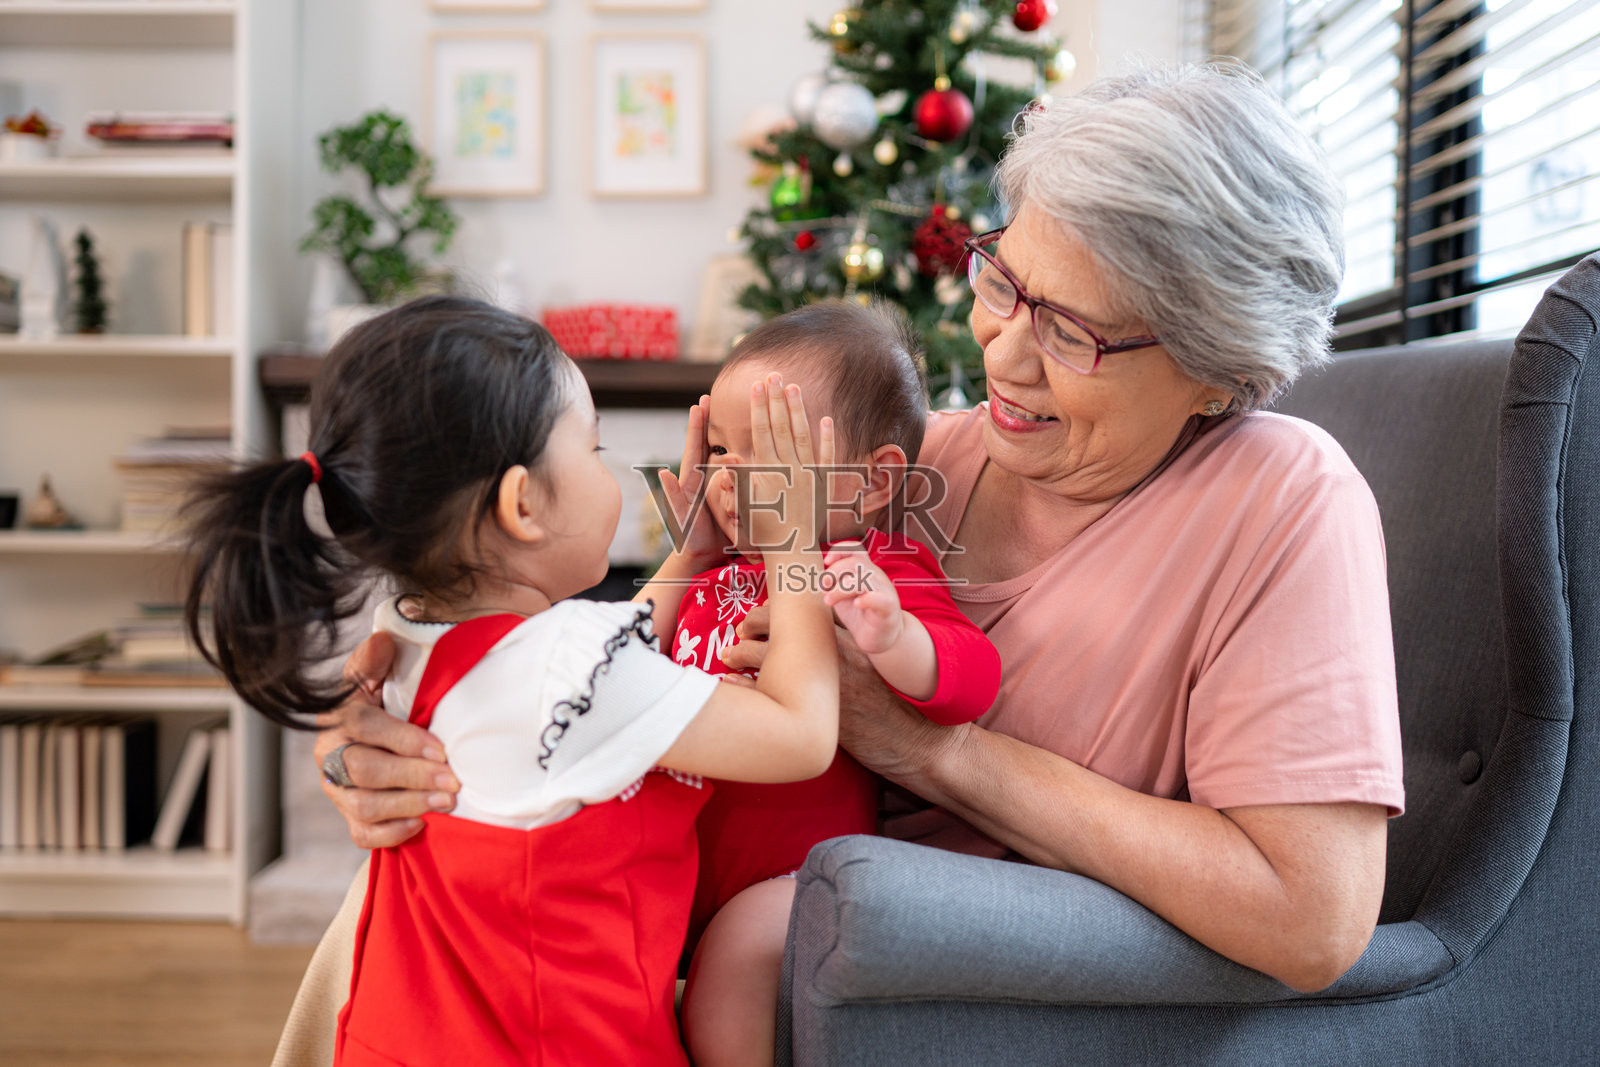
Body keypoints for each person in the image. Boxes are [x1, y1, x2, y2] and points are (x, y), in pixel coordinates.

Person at [299, 60, 1404, 1067]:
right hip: (688, 890)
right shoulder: (908, 463)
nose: (1001, 353)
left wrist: (934, 750)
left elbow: (1310, 918)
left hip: (916, 970)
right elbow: (596, 643)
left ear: (1217, 371)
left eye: (1071, 334)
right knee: (402, 908)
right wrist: (415, 737)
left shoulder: (1285, 503)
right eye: (1002, 282)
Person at [185, 296, 844, 1066]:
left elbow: (601, 658)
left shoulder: (404, 633)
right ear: (523, 503)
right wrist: (795, 542)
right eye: (594, 450)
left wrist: (689, 553)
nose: (610, 472)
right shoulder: (567, 674)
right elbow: (800, 733)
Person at [633, 301, 1001, 1057]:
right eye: (723, 451)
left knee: (731, 964)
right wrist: (687, 554)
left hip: (786, 882)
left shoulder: (870, 573)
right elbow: (608, 658)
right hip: (667, 859)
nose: (730, 476)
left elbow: (972, 678)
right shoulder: (712, 571)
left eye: (767, 454)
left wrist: (895, 637)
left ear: (870, 486)